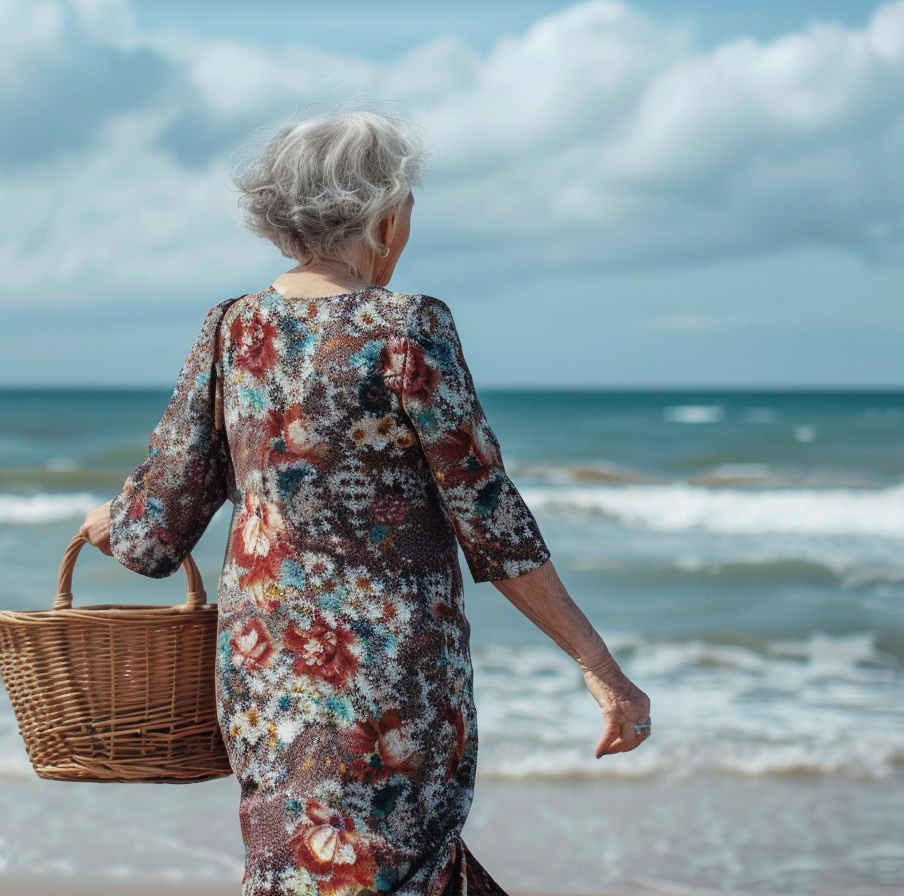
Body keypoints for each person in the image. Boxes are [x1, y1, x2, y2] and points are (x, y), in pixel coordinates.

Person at [79, 109, 651, 896]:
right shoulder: (408, 328)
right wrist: (599, 666)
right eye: (409, 203)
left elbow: (161, 522)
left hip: (264, 669)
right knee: (394, 867)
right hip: (390, 679)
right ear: (383, 217)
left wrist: (111, 523)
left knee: (301, 866)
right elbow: (489, 515)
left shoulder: (231, 329)